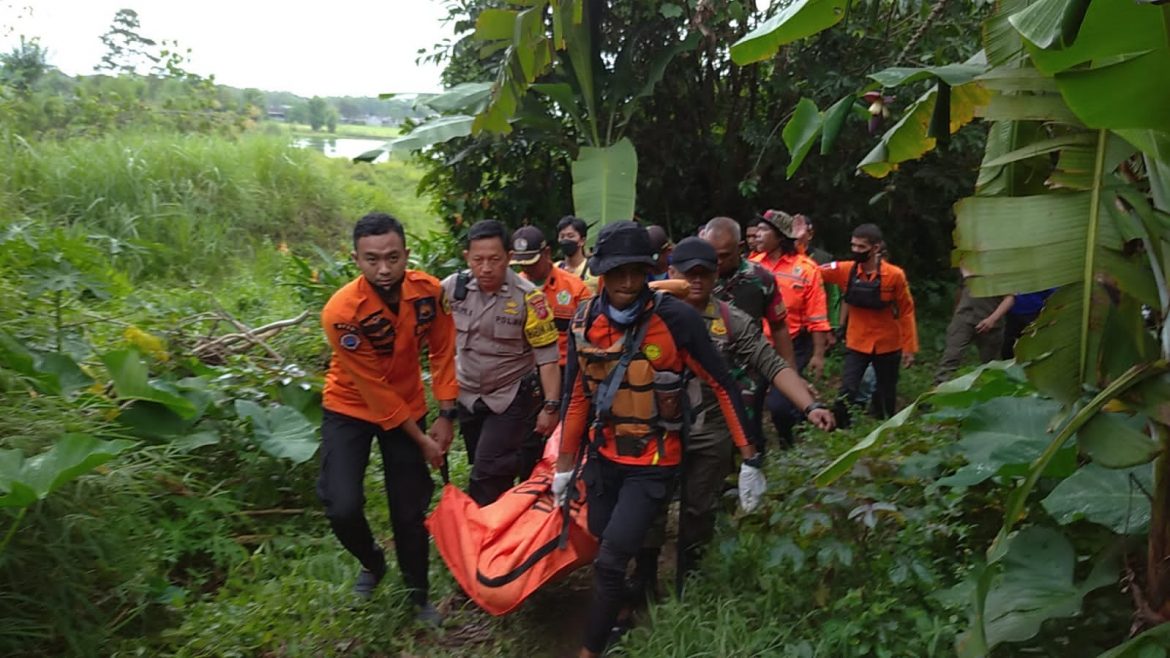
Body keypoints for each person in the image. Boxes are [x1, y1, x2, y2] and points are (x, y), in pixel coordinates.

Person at [551, 221, 767, 658]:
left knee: (611, 558)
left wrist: (750, 459)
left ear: (650, 271)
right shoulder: (584, 322)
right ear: (601, 275)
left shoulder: (677, 319)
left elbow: (722, 384)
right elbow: (576, 396)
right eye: (617, 274)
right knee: (604, 540)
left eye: (636, 272)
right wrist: (563, 466)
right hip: (605, 454)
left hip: (654, 460)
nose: (628, 283)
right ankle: (631, 595)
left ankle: (591, 647)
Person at [658, 237, 834, 577]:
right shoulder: (650, 312)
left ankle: (688, 580)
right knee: (651, 507)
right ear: (670, 272)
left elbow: (772, 363)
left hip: (710, 426)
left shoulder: (730, 319)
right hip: (657, 426)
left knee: (699, 508)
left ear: (715, 277)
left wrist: (810, 405)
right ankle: (644, 580)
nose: (696, 281)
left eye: (704, 274)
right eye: (687, 273)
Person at [318, 212, 453, 622]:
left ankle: (417, 594)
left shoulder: (429, 293)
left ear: (406, 254)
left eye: (393, 258)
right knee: (341, 504)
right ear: (355, 259)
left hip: (409, 401)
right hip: (350, 406)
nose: (383, 269)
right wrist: (423, 440)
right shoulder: (341, 312)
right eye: (372, 259)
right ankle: (373, 562)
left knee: (409, 509)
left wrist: (447, 413)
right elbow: (373, 388)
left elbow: (443, 351)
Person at [442, 220, 562, 506]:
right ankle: (507, 518)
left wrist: (551, 407)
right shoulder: (451, 289)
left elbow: (547, 357)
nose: (485, 268)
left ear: (508, 257)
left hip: (509, 397)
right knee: (487, 466)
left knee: (487, 473)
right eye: (477, 260)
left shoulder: (529, 298)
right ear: (466, 257)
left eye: (494, 260)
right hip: (468, 395)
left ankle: (481, 536)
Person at [700, 216, 796, 449]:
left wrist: (788, 374)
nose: (718, 262)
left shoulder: (760, 279)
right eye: (713, 255)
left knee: (748, 432)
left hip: (748, 373)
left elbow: (779, 327)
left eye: (725, 255)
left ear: (740, 248)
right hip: (705, 371)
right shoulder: (697, 278)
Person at [510, 224, 592, 477]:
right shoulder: (512, 288)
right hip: (527, 375)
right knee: (526, 442)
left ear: (546, 253)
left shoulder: (575, 289)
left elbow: (590, 335)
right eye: (521, 263)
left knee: (565, 437)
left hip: (568, 374)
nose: (527, 268)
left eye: (532, 261)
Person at [820, 223, 918, 426]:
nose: (856, 251)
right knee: (847, 389)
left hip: (888, 343)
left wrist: (909, 347)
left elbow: (906, 311)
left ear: (875, 248)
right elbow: (812, 271)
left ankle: (885, 430)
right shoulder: (845, 270)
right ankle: (840, 429)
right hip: (857, 342)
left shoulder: (894, 275)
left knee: (885, 392)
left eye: (861, 247)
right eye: (853, 246)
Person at [752, 210, 831, 446]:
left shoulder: (807, 269)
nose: (757, 234)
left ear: (780, 237)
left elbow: (817, 316)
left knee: (780, 406)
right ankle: (756, 450)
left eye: (764, 230)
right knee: (752, 401)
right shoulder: (751, 265)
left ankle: (788, 441)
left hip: (793, 345)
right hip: (755, 344)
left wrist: (818, 354)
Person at [934, 267, 1009, 383]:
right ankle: (937, 392)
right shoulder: (969, 265)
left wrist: (992, 319)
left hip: (990, 321)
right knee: (951, 357)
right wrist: (956, 314)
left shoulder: (1002, 268)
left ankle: (991, 395)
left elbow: (1010, 298)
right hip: (964, 318)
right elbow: (961, 289)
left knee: (990, 365)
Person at [1001, 289, 1056, 358]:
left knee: (1032, 344)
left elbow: (1054, 294)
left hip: (1035, 312)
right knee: (1008, 347)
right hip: (1013, 312)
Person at [556, 215, 600, 292]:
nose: (565, 239)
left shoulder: (594, 270)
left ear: (582, 241)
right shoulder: (554, 269)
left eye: (570, 236)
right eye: (562, 236)